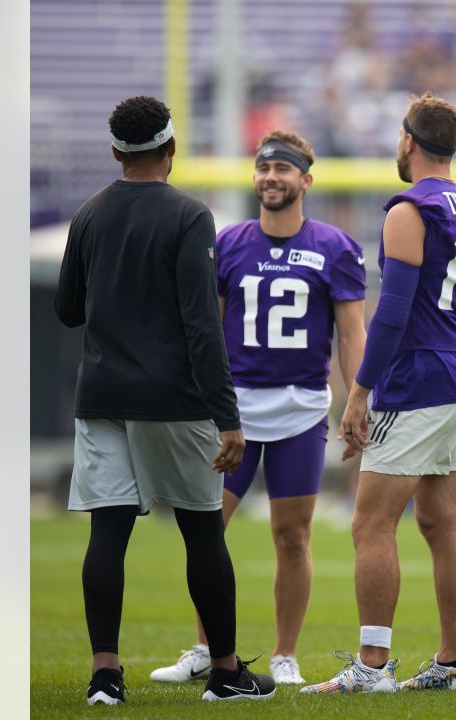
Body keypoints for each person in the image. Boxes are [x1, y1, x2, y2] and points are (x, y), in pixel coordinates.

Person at [55, 96, 275, 704]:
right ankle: (226, 674)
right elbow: (202, 327)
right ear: (171, 150)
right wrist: (228, 419)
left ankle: (106, 675)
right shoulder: (189, 216)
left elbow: (67, 308)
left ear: (115, 151)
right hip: (173, 401)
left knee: (108, 534)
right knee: (203, 532)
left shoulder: (89, 214)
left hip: (100, 396)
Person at [300, 92, 456, 694]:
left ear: (407, 141)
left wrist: (359, 393)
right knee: (445, 525)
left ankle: (371, 667)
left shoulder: (408, 209)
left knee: (370, 524)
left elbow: (390, 316)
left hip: (419, 380)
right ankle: (453, 665)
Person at [149, 130, 368, 686]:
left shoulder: (335, 247)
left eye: (284, 169)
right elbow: (207, 330)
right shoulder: (229, 243)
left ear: (306, 180)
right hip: (234, 413)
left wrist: (355, 400)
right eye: (264, 168)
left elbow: (351, 334)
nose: (272, 177)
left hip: (299, 410)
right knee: (208, 532)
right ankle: (206, 648)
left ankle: (284, 654)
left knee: (292, 537)